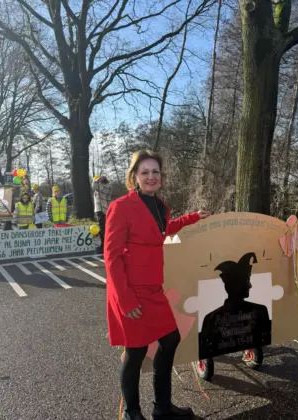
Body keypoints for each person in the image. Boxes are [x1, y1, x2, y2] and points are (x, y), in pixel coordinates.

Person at [104, 150, 210, 420]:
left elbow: (162, 230)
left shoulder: (159, 206)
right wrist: (125, 300)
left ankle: (162, 407)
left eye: (155, 172)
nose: (151, 177)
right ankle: (132, 413)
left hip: (154, 289)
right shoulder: (121, 206)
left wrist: (192, 218)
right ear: (134, 177)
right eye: (145, 172)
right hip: (131, 291)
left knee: (171, 338)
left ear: (161, 176)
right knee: (136, 351)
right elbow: (111, 256)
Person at [199, 252, 272, 360]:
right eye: (246, 281)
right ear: (234, 285)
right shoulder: (260, 311)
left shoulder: (211, 318)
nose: (250, 286)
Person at [92, 175, 112, 254]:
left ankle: (103, 247)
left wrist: (97, 180)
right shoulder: (108, 187)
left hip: (101, 210)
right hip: (106, 210)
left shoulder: (102, 187)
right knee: (105, 229)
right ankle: (105, 245)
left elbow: (94, 185)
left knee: (102, 229)